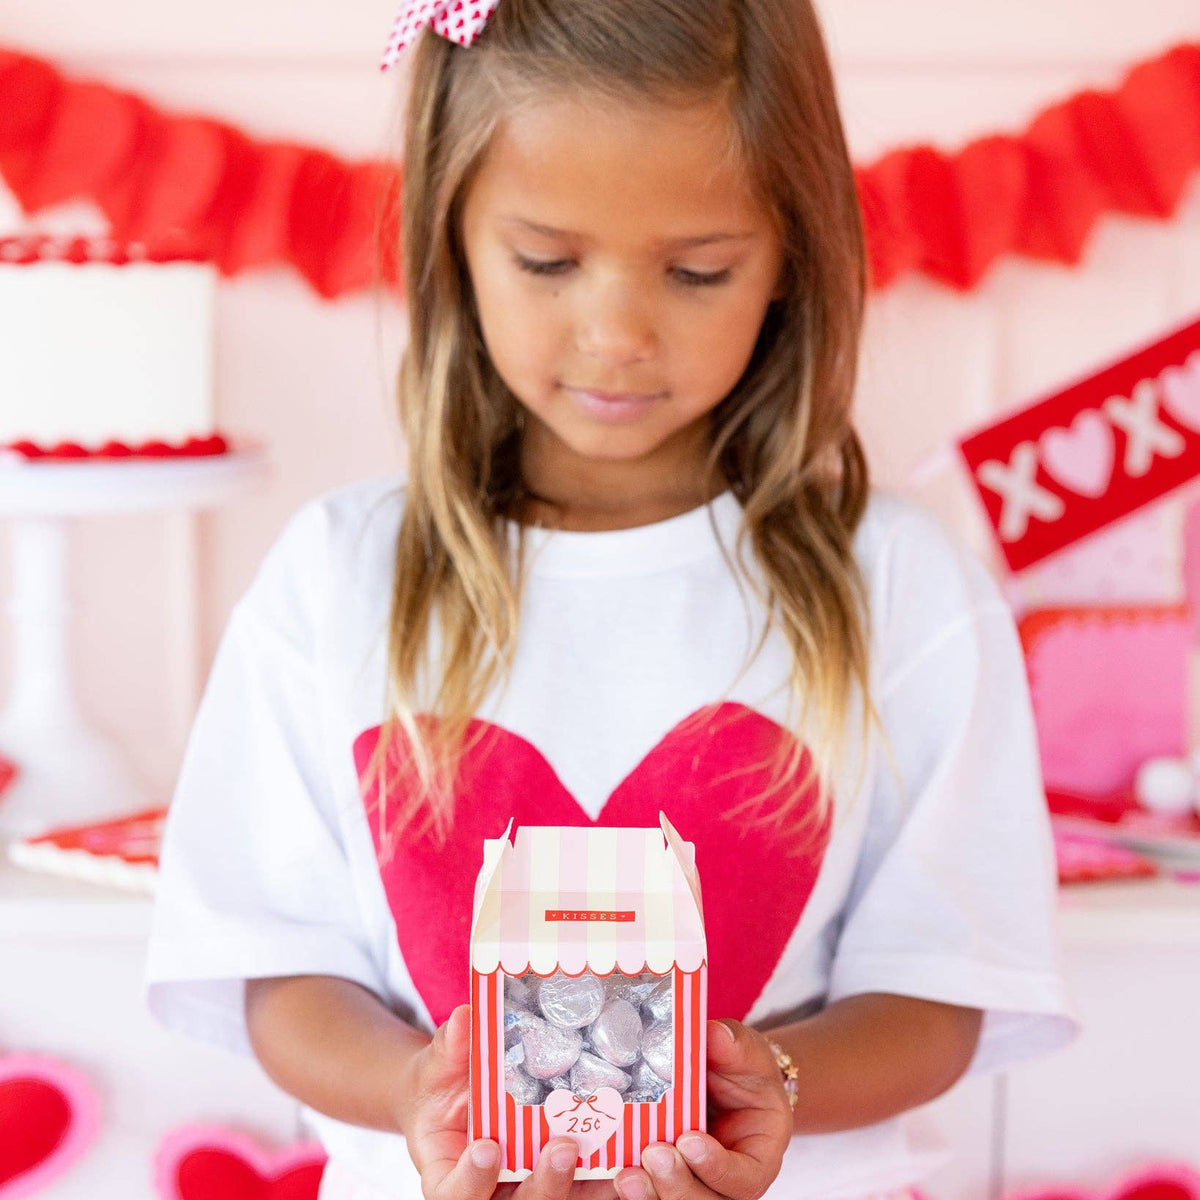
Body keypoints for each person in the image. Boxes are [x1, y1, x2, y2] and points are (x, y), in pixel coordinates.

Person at [144, 2, 1081, 1199]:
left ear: (792, 252)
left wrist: (758, 1084)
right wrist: (419, 1092)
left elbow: (945, 988)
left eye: (698, 270)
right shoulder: (335, 577)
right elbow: (277, 968)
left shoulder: (898, 586)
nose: (618, 333)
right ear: (452, 240)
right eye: (547, 262)